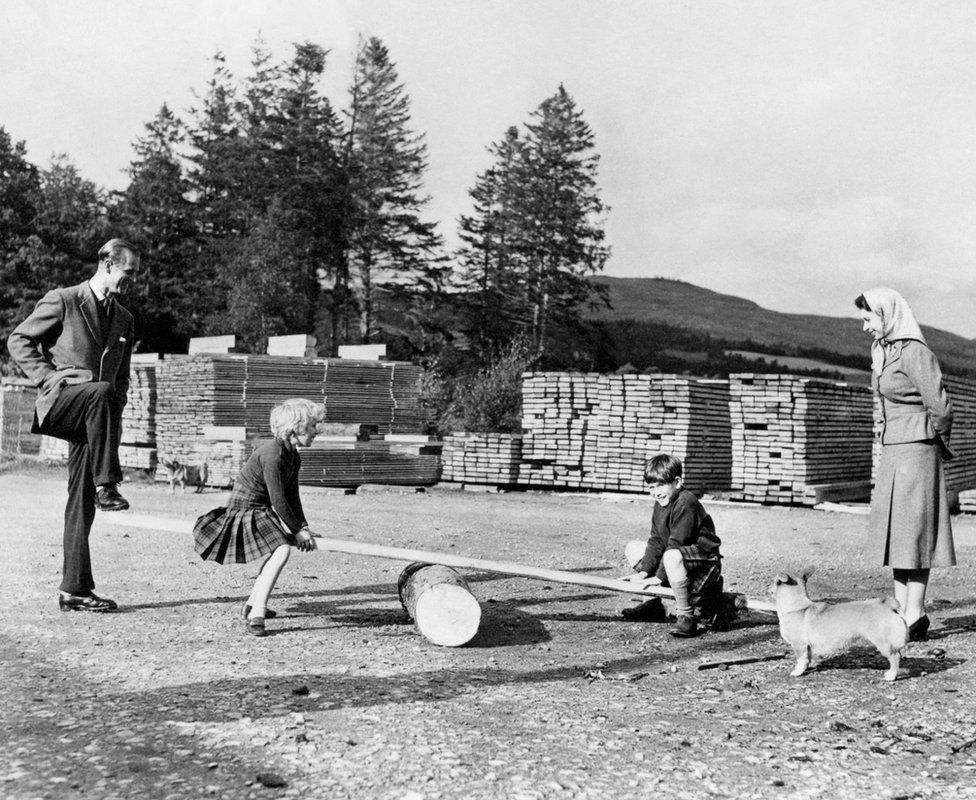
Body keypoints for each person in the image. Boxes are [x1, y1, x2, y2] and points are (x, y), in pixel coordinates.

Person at [7, 239, 139, 612]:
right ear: (108, 264)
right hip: (63, 402)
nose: (133, 280)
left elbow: (122, 377)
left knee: (80, 504)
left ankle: (74, 589)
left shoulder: (125, 318)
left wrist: (118, 406)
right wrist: (48, 378)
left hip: (96, 416)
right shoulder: (64, 299)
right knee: (99, 391)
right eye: (129, 272)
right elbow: (18, 340)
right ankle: (108, 483)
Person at [856, 287, 955, 642]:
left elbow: (941, 407)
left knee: (915, 530)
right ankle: (899, 610)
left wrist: (932, 442)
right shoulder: (881, 350)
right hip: (895, 449)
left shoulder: (915, 352)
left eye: (870, 318)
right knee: (896, 532)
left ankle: (916, 611)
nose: (866, 326)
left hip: (917, 447)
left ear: (888, 315)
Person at [193, 398, 324, 637]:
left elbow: (292, 495)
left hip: (261, 509)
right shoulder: (272, 454)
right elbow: (278, 499)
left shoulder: (293, 456)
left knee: (279, 550)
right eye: (314, 426)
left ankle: (253, 604)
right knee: (282, 549)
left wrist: (303, 526)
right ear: (296, 428)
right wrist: (296, 531)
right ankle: (257, 612)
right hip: (244, 511)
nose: (318, 431)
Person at [620, 453, 723, 637]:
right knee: (633, 548)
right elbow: (656, 540)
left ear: (677, 482)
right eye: (651, 487)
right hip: (678, 561)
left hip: (704, 564)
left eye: (661, 485)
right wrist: (644, 572)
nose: (656, 492)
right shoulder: (660, 503)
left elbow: (677, 542)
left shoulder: (686, 502)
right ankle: (653, 605)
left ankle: (686, 616)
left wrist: (658, 578)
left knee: (671, 555)